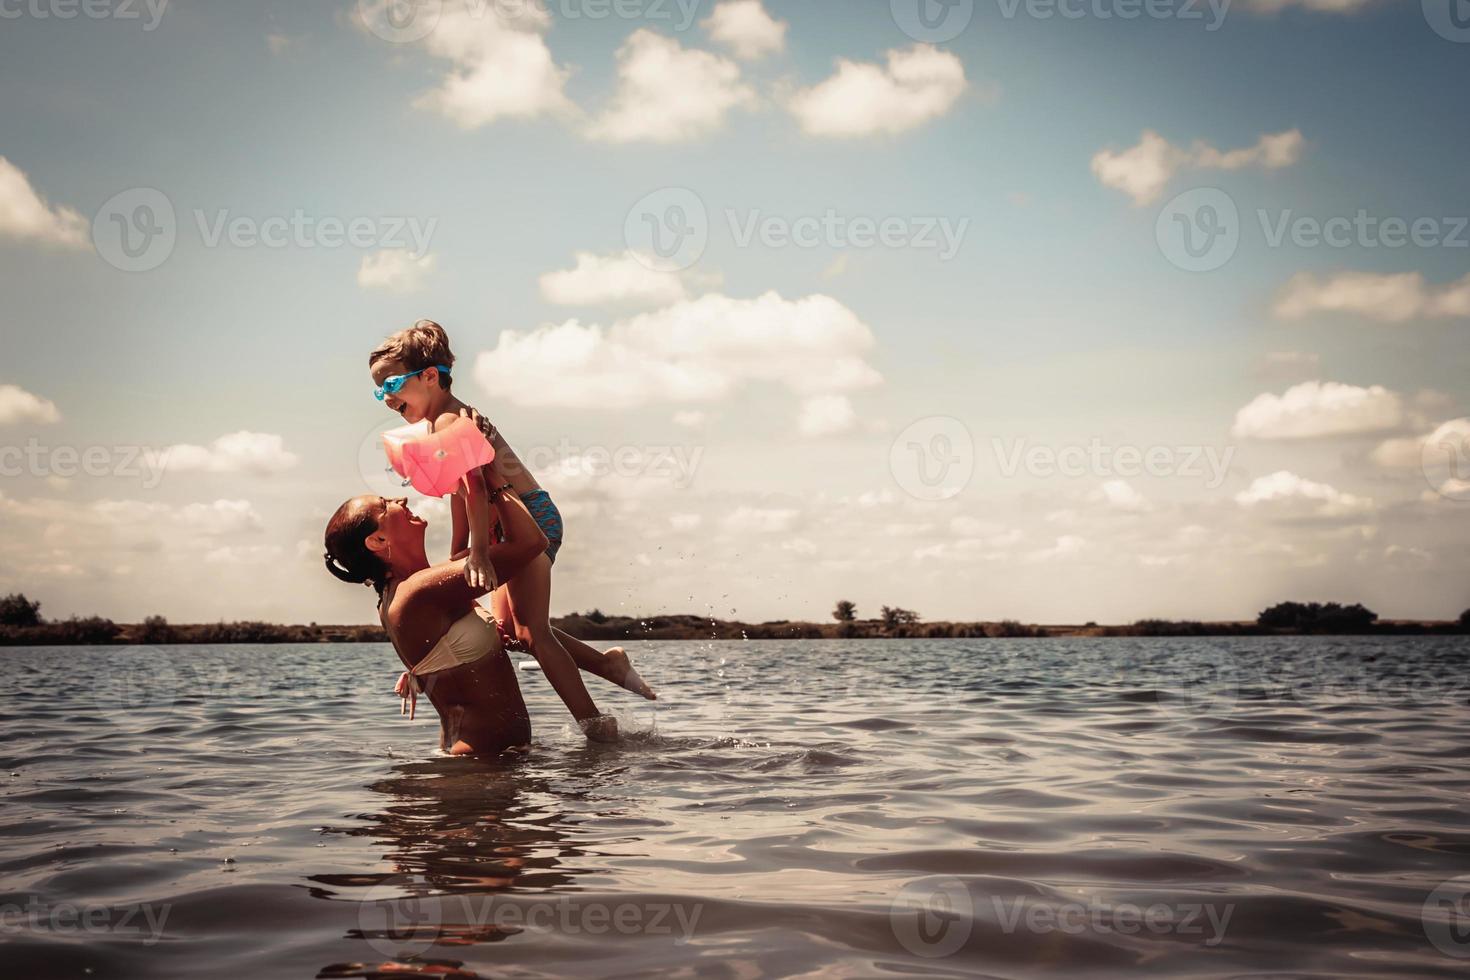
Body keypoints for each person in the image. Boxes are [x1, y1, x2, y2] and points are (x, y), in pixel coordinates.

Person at [367, 320, 654, 736]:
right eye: (378, 390)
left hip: (528, 518)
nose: (385, 397)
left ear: (429, 376)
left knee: (533, 632)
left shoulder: (451, 420)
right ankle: (606, 664)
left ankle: (596, 727)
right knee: (510, 632)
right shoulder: (435, 425)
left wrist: (480, 552)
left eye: (390, 384)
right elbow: (459, 492)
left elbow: (478, 485)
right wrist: (459, 549)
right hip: (500, 526)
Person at [323, 470, 618, 750]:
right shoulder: (419, 590)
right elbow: (533, 541)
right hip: (477, 770)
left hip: (480, 761)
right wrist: (484, 473)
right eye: (385, 506)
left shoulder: (401, 592)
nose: (401, 500)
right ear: (378, 540)